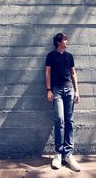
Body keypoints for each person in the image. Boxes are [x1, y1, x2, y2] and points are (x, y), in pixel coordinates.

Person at [45, 32, 81, 172]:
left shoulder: (69, 56)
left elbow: (73, 73)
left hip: (69, 90)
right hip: (57, 91)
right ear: (58, 42)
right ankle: (59, 154)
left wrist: (77, 91)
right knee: (59, 120)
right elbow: (47, 73)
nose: (67, 41)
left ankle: (68, 154)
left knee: (69, 121)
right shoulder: (51, 56)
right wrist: (49, 90)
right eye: (65, 39)